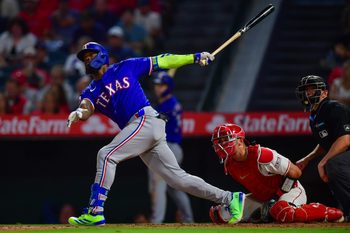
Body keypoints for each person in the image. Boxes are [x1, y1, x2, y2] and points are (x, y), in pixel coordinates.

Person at [66, 42, 241, 226]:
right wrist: (79, 113)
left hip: (145, 119)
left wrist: (195, 57)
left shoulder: (125, 66)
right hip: (141, 129)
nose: (87, 60)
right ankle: (229, 198)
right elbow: (86, 106)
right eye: (85, 59)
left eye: (90, 56)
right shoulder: (91, 90)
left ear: (101, 55)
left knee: (106, 155)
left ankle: (95, 211)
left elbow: (164, 61)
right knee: (178, 180)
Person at [209, 123, 344, 224]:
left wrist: (276, 197)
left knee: (282, 212)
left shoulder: (262, 155)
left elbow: (296, 173)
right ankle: (270, 213)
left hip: (289, 190)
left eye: (225, 140)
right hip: (265, 198)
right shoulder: (229, 164)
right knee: (220, 216)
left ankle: (330, 213)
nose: (221, 145)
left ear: (239, 140)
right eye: (218, 142)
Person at [295, 75, 350, 221]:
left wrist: (323, 161)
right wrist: (308, 159)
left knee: (333, 164)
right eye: (306, 90)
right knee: (323, 169)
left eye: (313, 89)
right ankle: (344, 210)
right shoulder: (314, 115)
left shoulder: (334, 108)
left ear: (325, 93)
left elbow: (345, 139)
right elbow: (326, 142)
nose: (308, 93)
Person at [148, 72, 193, 223]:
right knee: (175, 187)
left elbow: (154, 128)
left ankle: (156, 221)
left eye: (161, 85)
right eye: (157, 85)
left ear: (169, 87)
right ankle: (188, 220)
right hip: (174, 149)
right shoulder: (170, 102)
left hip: (169, 147)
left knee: (158, 183)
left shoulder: (168, 105)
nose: (158, 89)